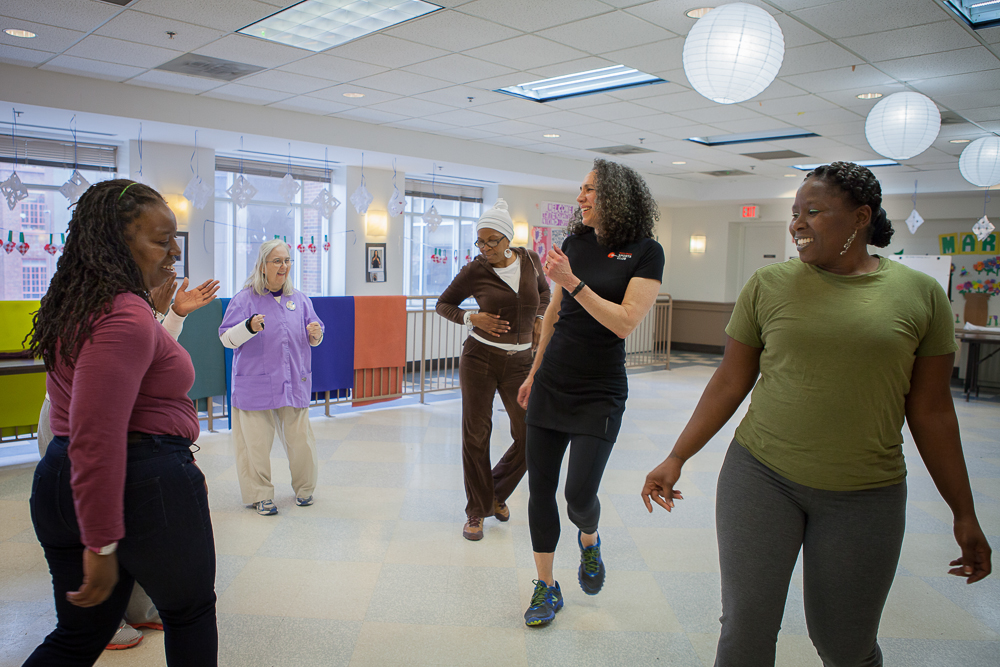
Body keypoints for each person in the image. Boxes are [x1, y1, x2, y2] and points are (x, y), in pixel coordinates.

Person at [641, 161, 992, 666]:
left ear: (860, 218)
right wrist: (678, 455)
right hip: (760, 476)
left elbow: (933, 411)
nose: (797, 224)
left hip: (866, 493)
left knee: (845, 643)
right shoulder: (769, 284)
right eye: (794, 213)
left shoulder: (920, 295)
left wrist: (963, 511)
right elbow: (729, 380)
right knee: (745, 630)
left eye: (814, 212)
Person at [24, 179, 218, 666]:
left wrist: (157, 310)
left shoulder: (80, 303)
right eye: (161, 239)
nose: (174, 251)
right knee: (189, 614)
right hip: (140, 482)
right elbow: (98, 434)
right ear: (117, 241)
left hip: (61, 476)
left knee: (79, 636)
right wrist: (101, 539)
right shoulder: (124, 317)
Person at [517, 159, 665, 627]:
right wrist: (533, 372)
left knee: (578, 495)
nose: (580, 198)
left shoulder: (647, 252)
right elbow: (554, 315)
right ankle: (546, 586)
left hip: (600, 391)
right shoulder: (575, 244)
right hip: (552, 381)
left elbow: (624, 322)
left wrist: (573, 282)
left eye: (589, 191)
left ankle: (590, 538)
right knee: (540, 491)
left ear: (616, 198)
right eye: (580, 189)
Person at [436, 199, 550, 540]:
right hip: (480, 358)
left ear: (507, 239)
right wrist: (472, 317)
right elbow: (444, 304)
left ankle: (495, 494)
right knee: (476, 433)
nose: (485, 248)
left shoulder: (529, 260)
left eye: (491, 241)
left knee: (530, 435)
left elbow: (544, 293)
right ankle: (476, 511)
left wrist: (541, 318)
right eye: (480, 241)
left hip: (520, 362)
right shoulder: (475, 270)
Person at [219, 239, 324, 516]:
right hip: (255, 384)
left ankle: (305, 489)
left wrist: (316, 335)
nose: (284, 266)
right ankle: (260, 495)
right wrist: (248, 327)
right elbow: (227, 340)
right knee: (255, 445)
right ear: (263, 266)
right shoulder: (244, 299)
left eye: (287, 260)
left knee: (301, 441)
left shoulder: (299, 299)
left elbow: (315, 332)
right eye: (277, 261)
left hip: (293, 382)